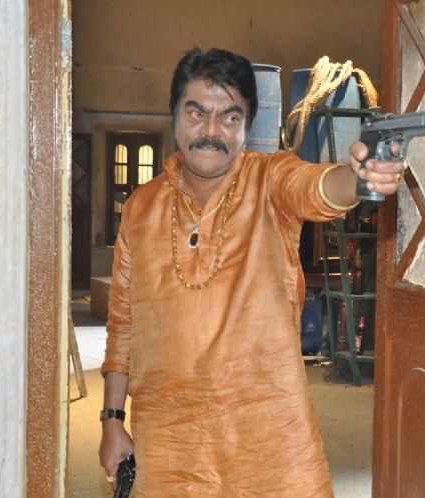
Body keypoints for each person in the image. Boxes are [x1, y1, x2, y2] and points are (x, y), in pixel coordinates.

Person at [99, 47, 405, 497]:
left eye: (230, 117)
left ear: (247, 127)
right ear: (174, 116)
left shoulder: (270, 179)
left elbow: (317, 188)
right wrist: (112, 420)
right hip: (169, 438)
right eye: (197, 112)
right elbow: (123, 323)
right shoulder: (141, 207)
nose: (211, 131)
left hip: (269, 434)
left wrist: (359, 179)